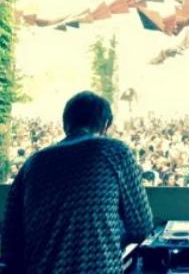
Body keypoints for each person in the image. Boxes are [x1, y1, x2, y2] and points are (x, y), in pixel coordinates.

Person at [1, 91, 153, 274]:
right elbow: (141, 227)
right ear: (106, 124)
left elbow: (10, 241)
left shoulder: (32, 163)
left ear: (66, 123)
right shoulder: (114, 152)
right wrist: (108, 233)